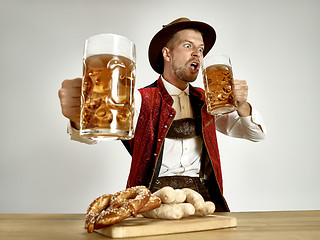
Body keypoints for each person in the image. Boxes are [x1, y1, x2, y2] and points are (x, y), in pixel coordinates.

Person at [58, 17, 266, 212]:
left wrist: (242, 105)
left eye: (201, 49)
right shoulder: (140, 99)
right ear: (167, 54)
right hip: (151, 201)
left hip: (203, 201)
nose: (197, 54)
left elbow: (256, 135)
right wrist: (77, 117)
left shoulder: (208, 100)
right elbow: (93, 135)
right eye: (188, 46)